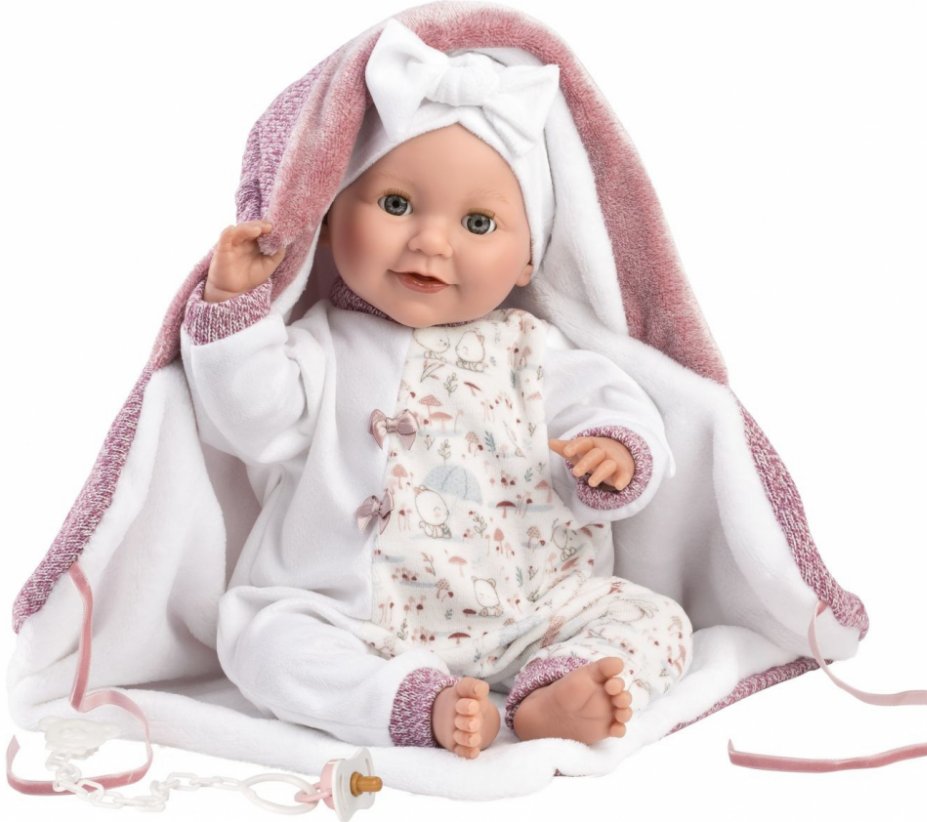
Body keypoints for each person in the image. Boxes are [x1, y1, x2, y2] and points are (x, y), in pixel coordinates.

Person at [181, 19, 692, 759]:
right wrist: (236, 314)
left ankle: (557, 685)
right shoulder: (321, 347)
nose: (430, 241)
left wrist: (615, 456)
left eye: (479, 222)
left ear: (529, 258)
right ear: (329, 218)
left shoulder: (535, 350)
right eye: (395, 205)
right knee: (261, 641)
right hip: (353, 614)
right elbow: (249, 421)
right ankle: (410, 704)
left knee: (659, 620)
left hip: (534, 609)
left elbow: (614, 407)